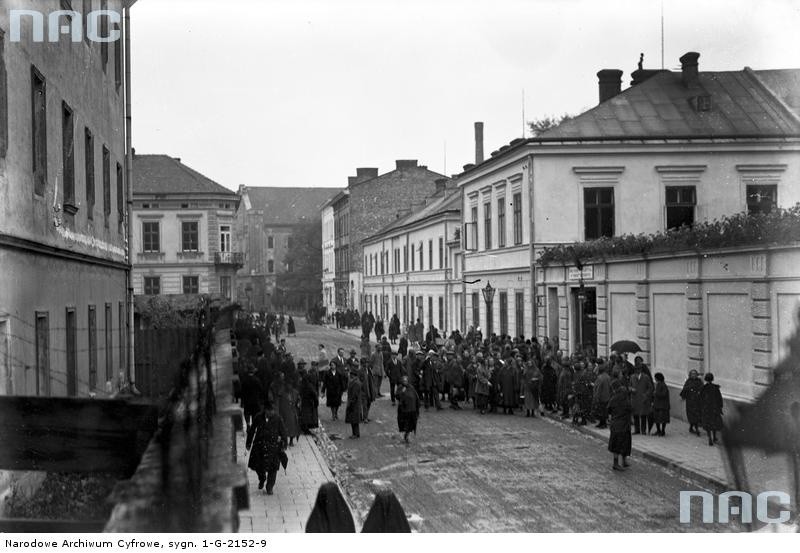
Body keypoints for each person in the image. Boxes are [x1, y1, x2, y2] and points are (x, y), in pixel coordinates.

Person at [246, 406, 287, 494]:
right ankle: (262, 478)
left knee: (273, 467)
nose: (271, 413)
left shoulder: (278, 418)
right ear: (265, 410)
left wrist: (284, 444)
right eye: (269, 411)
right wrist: (248, 443)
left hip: (273, 446)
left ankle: (270, 486)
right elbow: (252, 430)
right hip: (259, 445)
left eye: (272, 410)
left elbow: (283, 431)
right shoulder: (258, 417)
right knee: (257, 465)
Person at [607, 379, 632, 471]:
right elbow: (630, 408)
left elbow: (609, 409)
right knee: (625, 443)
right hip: (625, 424)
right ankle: (624, 461)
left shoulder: (614, 398)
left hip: (616, 424)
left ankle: (616, 463)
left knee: (616, 445)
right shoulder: (625, 397)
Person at [630, 363, 654, 435]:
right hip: (635, 398)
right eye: (636, 369)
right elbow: (629, 386)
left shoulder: (645, 377)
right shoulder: (632, 377)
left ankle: (643, 430)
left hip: (643, 399)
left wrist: (646, 395)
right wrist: (631, 389)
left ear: (640, 370)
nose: (637, 371)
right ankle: (637, 430)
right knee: (635, 415)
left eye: (638, 369)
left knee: (643, 415)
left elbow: (650, 388)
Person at [700, 372, 723, 446]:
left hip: (706, 409)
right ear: (712, 379)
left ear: (706, 379)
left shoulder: (703, 388)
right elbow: (719, 398)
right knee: (714, 423)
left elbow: (701, 398)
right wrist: (720, 407)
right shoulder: (715, 388)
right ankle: (714, 437)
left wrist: (702, 407)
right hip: (714, 408)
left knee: (708, 424)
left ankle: (709, 437)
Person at [679, 369, 704, 435]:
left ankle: (693, 427)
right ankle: (695, 428)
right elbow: (685, 389)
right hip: (690, 401)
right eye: (692, 374)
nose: (694, 375)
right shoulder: (688, 381)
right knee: (691, 414)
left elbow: (702, 389)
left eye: (695, 374)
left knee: (697, 414)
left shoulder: (699, 381)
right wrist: (683, 396)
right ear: (690, 375)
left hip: (697, 401)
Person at [397, 376, 420, 444]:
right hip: (404, 410)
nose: (405, 382)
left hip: (412, 409)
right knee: (405, 424)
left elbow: (416, 397)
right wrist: (402, 392)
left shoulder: (411, 387)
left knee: (411, 424)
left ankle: (407, 435)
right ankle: (406, 436)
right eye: (404, 381)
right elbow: (397, 396)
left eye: (406, 381)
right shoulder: (400, 388)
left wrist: (417, 408)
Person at [299, 361, 319, 434]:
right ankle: (307, 429)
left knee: (304, 415)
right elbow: (314, 395)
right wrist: (316, 402)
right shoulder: (310, 386)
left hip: (304, 402)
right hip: (310, 403)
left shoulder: (302, 386)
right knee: (309, 417)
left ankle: (305, 428)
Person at [345, 369, 363, 439]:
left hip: (354, 404)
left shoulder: (355, 383)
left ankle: (355, 434)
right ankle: (356, 433)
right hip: (355, 404)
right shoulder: (355, 382)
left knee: (354, 420)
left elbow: (354, 395)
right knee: (354, 420)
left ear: (353, 375)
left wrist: (350, 404)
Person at [593, 364, 611, 429]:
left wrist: (596, 397)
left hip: (601, 396)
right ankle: (603, 423)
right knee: (604, 410)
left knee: (601, 411)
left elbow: (598, 388)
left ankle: (602, 423)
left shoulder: (599, 378)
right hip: (607, 396)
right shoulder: (608, 377)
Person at [653, 372, 670, 436]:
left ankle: (662, 431)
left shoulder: (662, 385)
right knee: (657, 418)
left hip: (662, 405)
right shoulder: (659, 384)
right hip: (658, 404)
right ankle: (659, 430)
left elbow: (663, 394)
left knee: (662, 419)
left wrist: (656, 393)